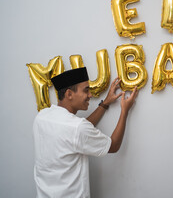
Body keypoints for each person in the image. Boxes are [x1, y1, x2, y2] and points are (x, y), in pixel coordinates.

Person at [33, 67, 138, 198]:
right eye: (86, 90)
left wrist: (105, 103)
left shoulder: (42, 117)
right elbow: (114, 145)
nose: (90, 95)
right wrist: (124, 110)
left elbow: (77, 134)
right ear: (69, 94)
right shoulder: (76, 128)